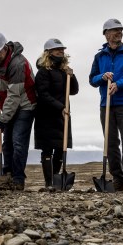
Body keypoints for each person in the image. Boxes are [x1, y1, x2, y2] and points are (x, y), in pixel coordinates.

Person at [89, 19, 123, 192]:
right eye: (114, 30)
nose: (118, 32)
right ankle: (117, 178)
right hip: (106, 105)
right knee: (110, 143)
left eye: (120, 30)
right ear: (106, 34)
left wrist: (119, 84)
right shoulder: (99, 56)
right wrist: (102, 77)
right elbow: (92, 79)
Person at [0, 32, 36, 191]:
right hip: (11, 104)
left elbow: (14, 95)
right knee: (7, 143)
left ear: (5, 48)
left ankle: (18, 179)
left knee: (18, 141)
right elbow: (3, 86)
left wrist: (3, 119)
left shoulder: (17, 64)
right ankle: (7, 173)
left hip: (26, 104)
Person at [34, 38, 79, 191]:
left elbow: (73, 91)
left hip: (62, 115)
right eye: (57, 49)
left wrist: (71, 76)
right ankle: (49, 183)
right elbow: (43, 94)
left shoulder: (63, 71)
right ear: (48, 52)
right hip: (46, 115)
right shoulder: (43, 72)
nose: (61, 51)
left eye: (62, 49)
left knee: (61, 147)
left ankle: (56, 179)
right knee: (47, 149)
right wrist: (60, 107)